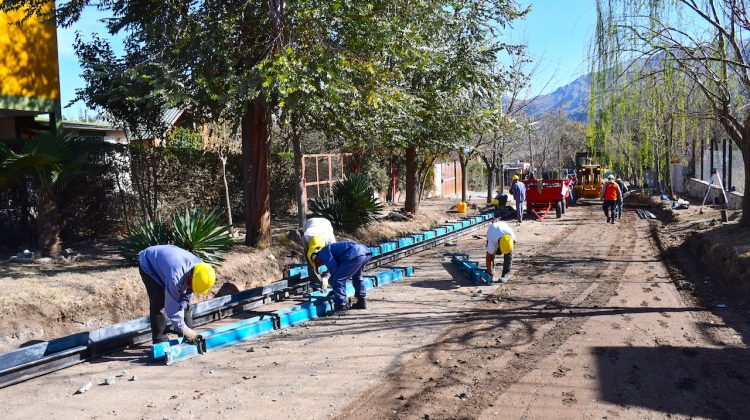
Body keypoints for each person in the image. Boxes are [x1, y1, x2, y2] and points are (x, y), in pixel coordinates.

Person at [138, 245, 216, 344]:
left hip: (168, 264)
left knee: (186, 305)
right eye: (192, 285)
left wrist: (183, 307)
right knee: (159, 302)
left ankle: (186, 338)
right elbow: (171, 309)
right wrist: (183, 328)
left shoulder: (200, 269)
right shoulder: (176, 277)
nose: (192, 288)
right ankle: (160, 341)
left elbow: (187, 295)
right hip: (149, 263)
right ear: (191, 277)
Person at [311, 241, 373, 314]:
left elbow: (333, 268)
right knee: (357, 276)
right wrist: (327, 278)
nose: (321, 264)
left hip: (354, 254)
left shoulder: (322, 253)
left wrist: (332, 282)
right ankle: (361, 301)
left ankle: (341, 306)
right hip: (365, 252)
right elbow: (335, 267)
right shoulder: (331, 250)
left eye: (317, 263)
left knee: (338, 280)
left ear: (316, 258)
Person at [302, 217, 337, 290]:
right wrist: (312, 266)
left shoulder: (330, 240)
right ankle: (315, 283)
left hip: (325, 223)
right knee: (310, 265)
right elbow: (306, 252)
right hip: (310, 222)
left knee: (331, 263)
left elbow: (333, 260)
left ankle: (329, 281)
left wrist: (326, 276)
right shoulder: (305, 237)